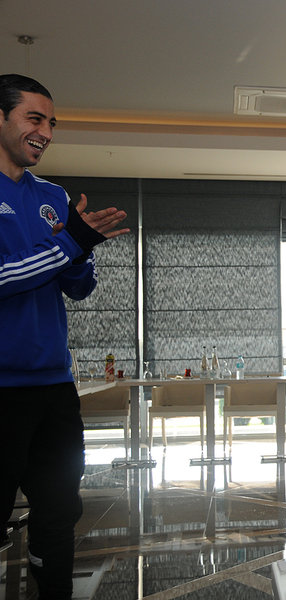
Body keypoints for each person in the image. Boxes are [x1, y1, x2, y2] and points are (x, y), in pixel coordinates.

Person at [0, 73, 129, 599]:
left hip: (54, 386)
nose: (47, 133)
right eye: (34, 119)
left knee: (59, 510)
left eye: (51, 123)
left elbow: (77, 286)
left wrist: (81, 247)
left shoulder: (51, 196)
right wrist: (69, 244)